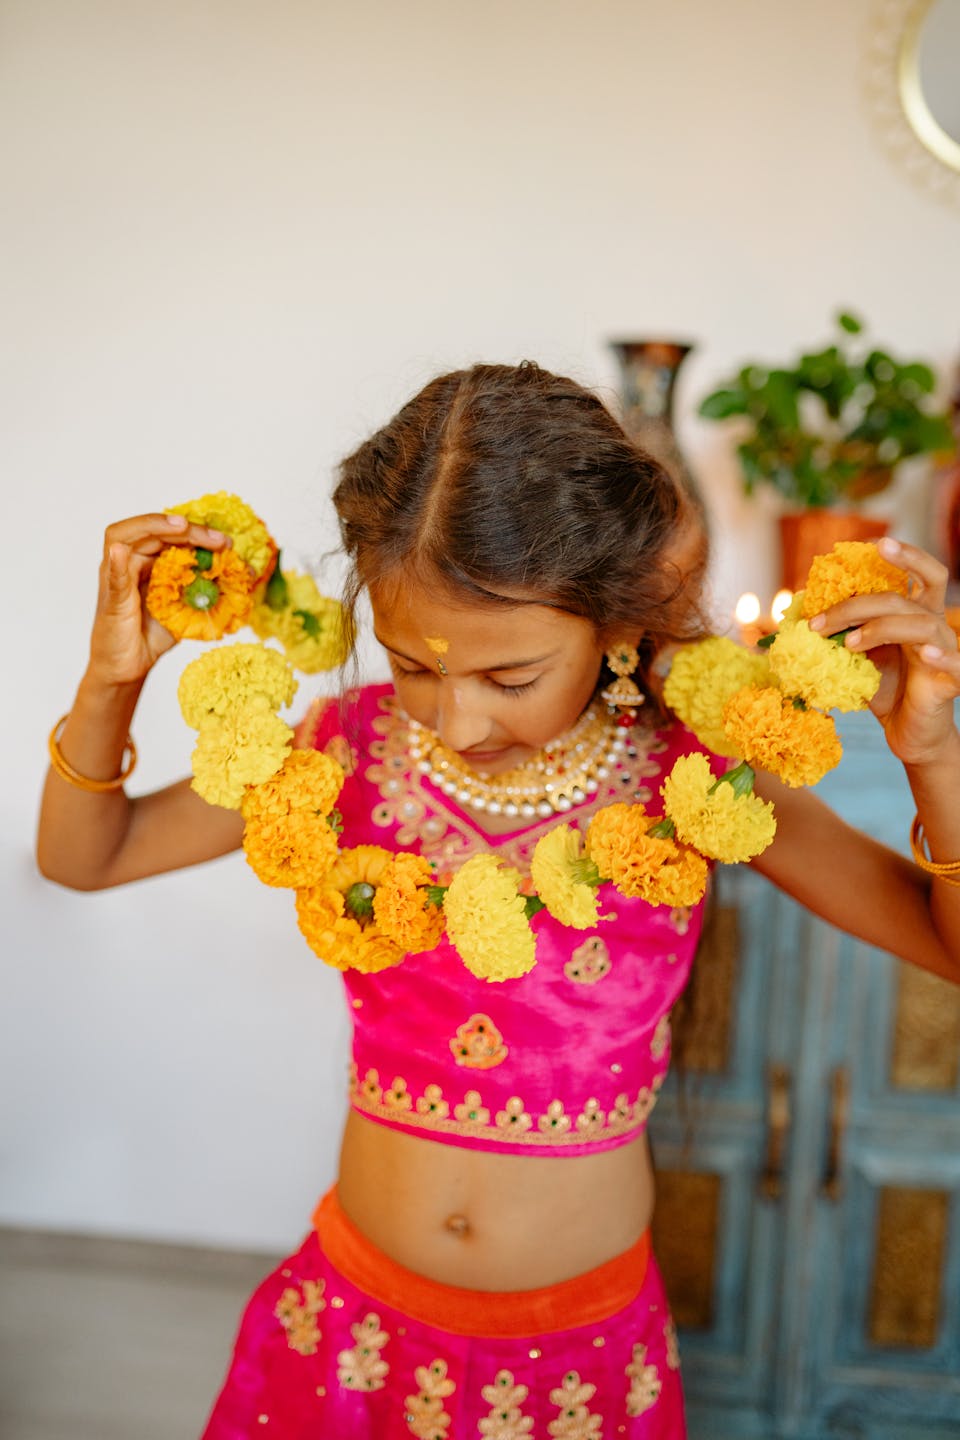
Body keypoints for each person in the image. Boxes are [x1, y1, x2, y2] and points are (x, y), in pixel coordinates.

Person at [36, 362, 960, 1439]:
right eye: (411, 666)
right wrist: (110, 683)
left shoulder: (698, 777)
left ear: (617, 628)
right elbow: (86, 858)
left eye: (510, 678)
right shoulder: (343, 754)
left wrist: (932, 757)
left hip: (575, 1364)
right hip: (353, 1339)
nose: (456, 721)